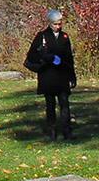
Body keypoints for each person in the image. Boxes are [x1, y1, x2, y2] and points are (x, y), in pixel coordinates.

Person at [23, 8, 77, 140]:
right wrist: (45, 57)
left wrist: (72, 76)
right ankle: (52, 132)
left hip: (62, 75)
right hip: (48, 75)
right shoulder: (41, 36)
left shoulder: (65, 37)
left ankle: (67, 131)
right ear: (50, 23)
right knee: (50, 105)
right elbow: (31, 56)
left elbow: (69, 58)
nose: (58, 27)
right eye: (55, 24)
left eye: (60, 24)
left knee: (64, 104)